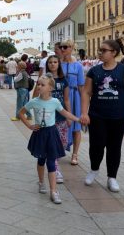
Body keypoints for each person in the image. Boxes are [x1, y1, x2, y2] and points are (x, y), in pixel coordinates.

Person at [80, 40, 124, 192]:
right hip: (97, 115)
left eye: (103, 50)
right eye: (99, 50)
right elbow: (86, 92)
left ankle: (112, 177)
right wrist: (84, 113)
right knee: (96, 145)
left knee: (114, 147)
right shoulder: (94, 71)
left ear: (114, 52)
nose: (100, 52)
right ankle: (94, 170)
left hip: (118, 116)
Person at [19, 73, 80, 204]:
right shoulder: (34, 101)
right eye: (38, 84)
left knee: (51, 162)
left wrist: (77, 119)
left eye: (42, 84)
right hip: (39, 134)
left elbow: (64, 113)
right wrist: (30, 126)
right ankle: (41, 182)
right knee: (41, 160)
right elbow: (21, 113)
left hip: (52, 134)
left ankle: (53, 191)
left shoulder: (55, 102)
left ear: (50, 88)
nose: (39, 86)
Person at [45, 55, 71, 184]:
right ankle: (56, 170)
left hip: (61, 117)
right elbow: (38, 96)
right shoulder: (45, 79)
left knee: (61, 144)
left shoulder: (63, 80)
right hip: (48, 118)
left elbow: (66, 99)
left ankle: (54, 164)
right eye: (50, 62)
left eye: (55, 62)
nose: (53, 64)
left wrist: (69, 116)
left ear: (58, 64)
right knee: (52, 145)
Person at [60, 40, 85, 165]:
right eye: (61, 47)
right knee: (59, 125)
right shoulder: (58, 64)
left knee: (76, 127)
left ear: (71, 48)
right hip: (61, 97)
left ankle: (75, 154)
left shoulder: (78, 66)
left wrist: (85, 106)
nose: (63, 49)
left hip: (75, 98)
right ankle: (58, 150)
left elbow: (81, 86)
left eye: (65, 47)